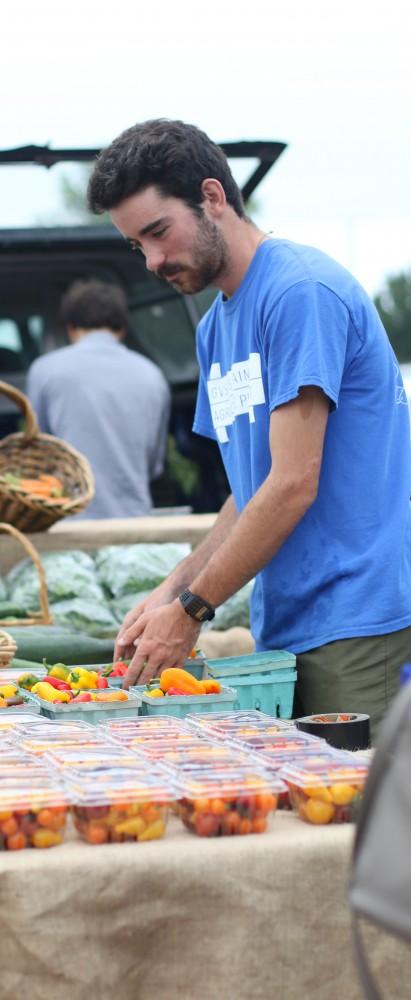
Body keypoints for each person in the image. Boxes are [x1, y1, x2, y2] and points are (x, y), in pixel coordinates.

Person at [87, 119, 411, 738]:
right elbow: (252, 489)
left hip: (359, 622)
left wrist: (194, 609)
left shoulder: (299, 292)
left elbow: (294, 483)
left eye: (158, 233)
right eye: (137, 247)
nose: (153, 261)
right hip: (286, 626)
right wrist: (170, 591)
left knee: (362, 823)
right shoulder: (215, 328)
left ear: (212, 197)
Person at [26, 279, 170, 519]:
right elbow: (154, 464)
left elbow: (40, 451)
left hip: (66, 524)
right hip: (135, 528)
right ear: (122, 327)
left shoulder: (45, 370)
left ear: (70, 328)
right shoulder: (152, 375)